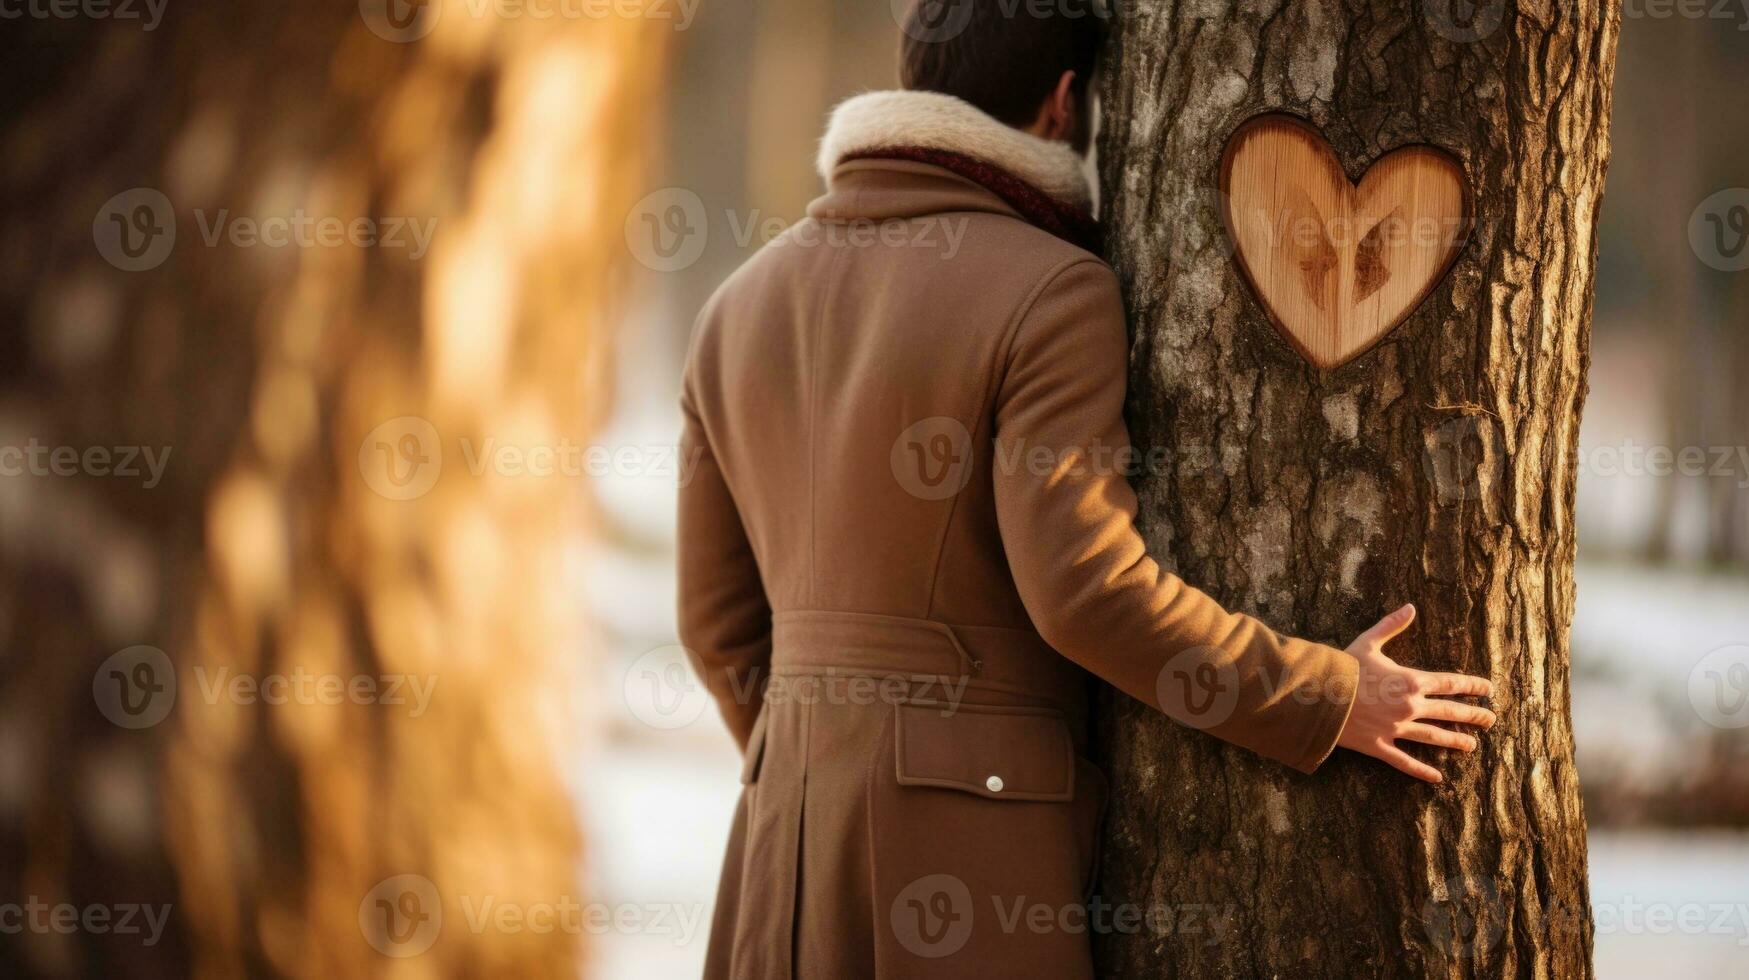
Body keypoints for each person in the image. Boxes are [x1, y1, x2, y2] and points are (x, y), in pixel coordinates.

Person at [677, 3, 1496, 976]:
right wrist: (1323, 694)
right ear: (1065, 104)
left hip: (783, 852)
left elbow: (714, 625)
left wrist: (812, 762)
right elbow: (1086, 591)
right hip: (967, 861)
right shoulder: (1049, 287)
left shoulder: (737, 306)